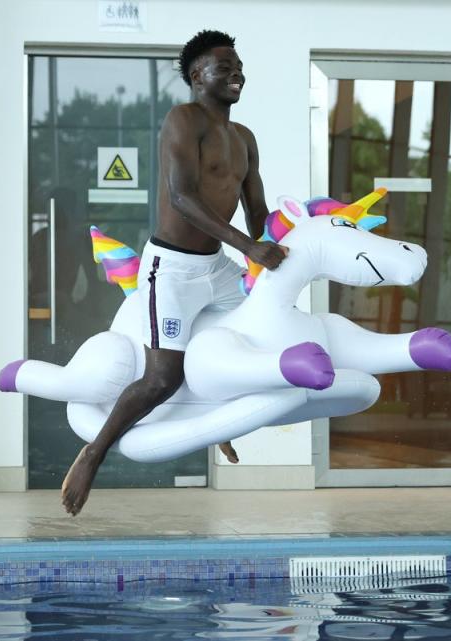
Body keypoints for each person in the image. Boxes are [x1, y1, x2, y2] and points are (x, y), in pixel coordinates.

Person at [61, 29, 288, 516]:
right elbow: (183, 198)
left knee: (255, 343)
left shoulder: (244, 138)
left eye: (239, 65)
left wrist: (286, 242)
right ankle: (94, 453)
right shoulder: (183, 120)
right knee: (164, 377)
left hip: (218, 268)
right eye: (225, 67)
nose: (237, 74)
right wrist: (250, 247)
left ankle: (214, 426)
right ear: (197, 76)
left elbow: (257, 209)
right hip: (173, 269)